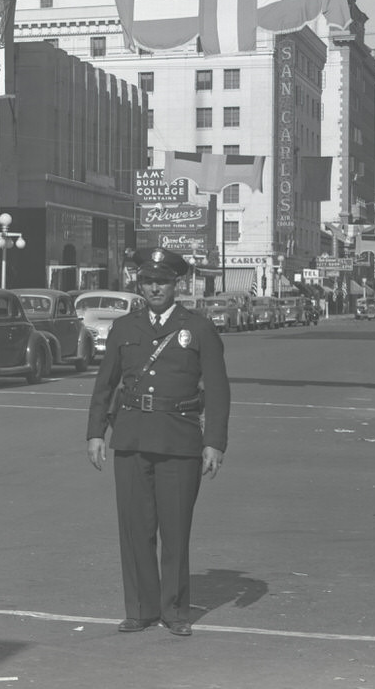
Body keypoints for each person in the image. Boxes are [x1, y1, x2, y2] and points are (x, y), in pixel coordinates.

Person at [86, 247, 231, 638]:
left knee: (175, 529)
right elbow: (105, 384)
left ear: (176, 285)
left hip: (180, 440)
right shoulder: (124, 328)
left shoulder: (198, 328)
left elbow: (217, 390)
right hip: (131, 436)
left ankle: (175, 611)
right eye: (148, 281)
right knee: (135, 529)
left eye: (162, 281)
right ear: (140, 284)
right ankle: (140, 609)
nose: (154, 288)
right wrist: (96, 432)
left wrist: (214, 442)